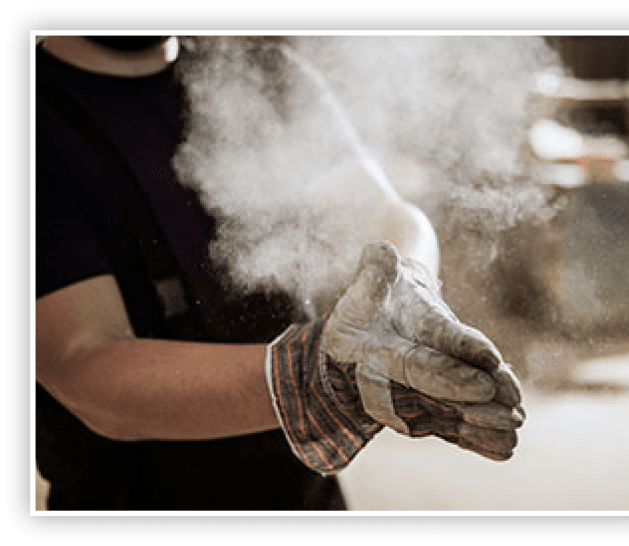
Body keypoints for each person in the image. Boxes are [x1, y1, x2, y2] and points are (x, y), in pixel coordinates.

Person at [35, 35, 525, 511]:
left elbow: (384, 217)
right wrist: (312, 378)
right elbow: (86, 365)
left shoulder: (268, 75)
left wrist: (406, 290)